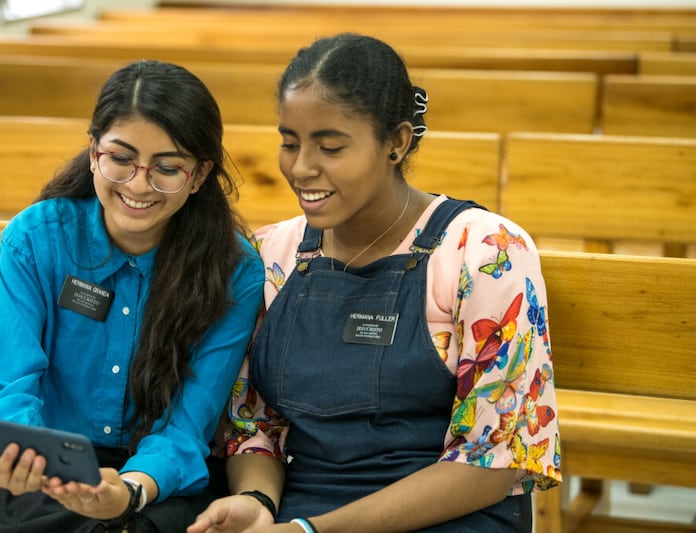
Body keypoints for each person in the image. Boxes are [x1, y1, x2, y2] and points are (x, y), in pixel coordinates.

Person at [188, 33, 561, 533]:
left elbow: (494, 460)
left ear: (397, 142)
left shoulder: (487, 252)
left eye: (331, 146)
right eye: (289, 142)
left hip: (451, 512)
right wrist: (257, 499)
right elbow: (254, 425)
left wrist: (314, 531)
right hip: (296, 506)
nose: (301, 168)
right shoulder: (271, 254)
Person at [0, 59, 265, 533]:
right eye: (120, 159)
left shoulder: (234, 271)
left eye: (167, 168)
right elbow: (6, 383)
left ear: (201, 174)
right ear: (93, 151)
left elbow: (187, 426)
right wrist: (31, 456)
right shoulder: (38, 239)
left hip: (154, 477)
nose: (139, 185)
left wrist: (128, 491)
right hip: (52, 468)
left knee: (159, 522)